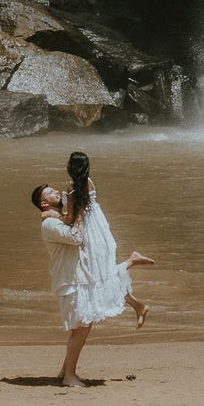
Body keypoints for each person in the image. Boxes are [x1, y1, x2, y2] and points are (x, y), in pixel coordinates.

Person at [31, 162, 151, 387]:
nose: (56, 191)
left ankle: (65, 372)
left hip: (78, 277)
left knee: (83, 325)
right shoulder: (49, 224)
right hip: (70, 282)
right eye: (50, 192)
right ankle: (69, 376)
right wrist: (76, 212)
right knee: (81, 328)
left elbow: (73, 206)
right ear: (44, 203)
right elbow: (76, 237)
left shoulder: (55, 217)